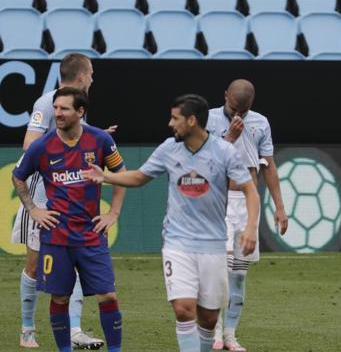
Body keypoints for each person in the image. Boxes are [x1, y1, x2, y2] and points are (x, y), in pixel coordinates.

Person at [81, 94, 260, 352]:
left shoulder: (224, 152)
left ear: (191, 120)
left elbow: (250, 190)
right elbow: (140, 177)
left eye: (175, 118)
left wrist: (252, 227)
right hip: (177, 243)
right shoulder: (168, 148)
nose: (170, 123)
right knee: (183, 309)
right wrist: (105, 177)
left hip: (212, 245)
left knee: (208, 318)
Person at [12, 53, 116, 349]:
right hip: (45, 199)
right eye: (92, 72)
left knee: (79, 262)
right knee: (33, 265)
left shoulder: (78, 106)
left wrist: (95, 138)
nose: (93, 77)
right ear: (82, 75)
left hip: (73, 201)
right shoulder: (48, 102)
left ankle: (74, 329)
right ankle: (28, 329)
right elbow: (30, 144)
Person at [205, 79, 288, 351]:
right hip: (220, 202)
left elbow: (268, 165)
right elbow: (203, 160)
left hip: (248, 204)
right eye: (233, 107)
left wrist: (279, 206)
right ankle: (215, 333)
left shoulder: (261, 123)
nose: (237, 114)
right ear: (225, 95)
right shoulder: (209, 119)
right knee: (223, 269)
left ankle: (230, 335)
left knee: (239, 274)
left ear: (251, 105)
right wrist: (228, 137)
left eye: (243, 110)